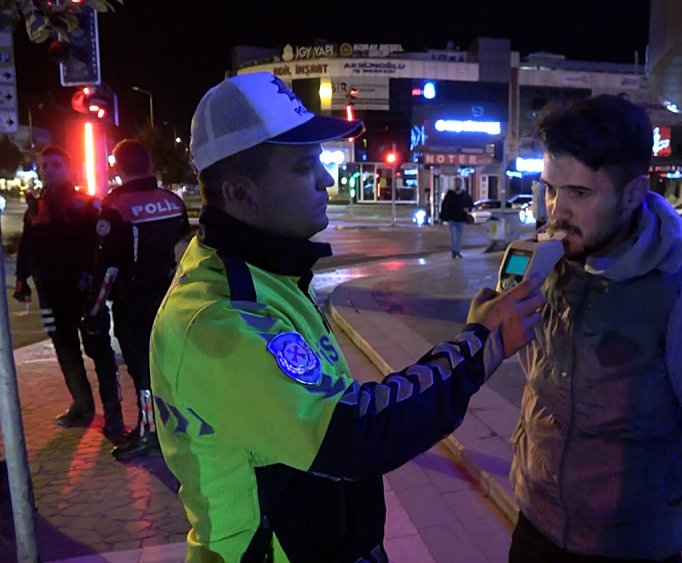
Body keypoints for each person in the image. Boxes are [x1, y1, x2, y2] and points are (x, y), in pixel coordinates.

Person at [150, 71, 545, 562]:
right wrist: (481, 343)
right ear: (240, 193)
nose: (326, 179)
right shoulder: (218, 320)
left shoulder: (268, 277)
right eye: (302, 166)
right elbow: (350, 433)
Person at [509, 95, 682, 563]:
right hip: (536, 526)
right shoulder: (549, 266)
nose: (555, 211)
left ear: (632, 193)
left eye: (578, 193)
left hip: (632, 547)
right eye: (549, 189)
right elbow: (535, 377)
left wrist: (653, 510)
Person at [82, 139, 189, 460]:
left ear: (117, 166)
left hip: (134, 302)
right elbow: (184, 249)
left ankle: (148, 432)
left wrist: (93, 309)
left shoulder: (116, 208)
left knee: (142, 367)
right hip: (171, 296)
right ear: (149, 163)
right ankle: (177, 426)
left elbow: (109, 267)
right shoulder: (172, 201)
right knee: (170, 362)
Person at [13, 147, 124, 441]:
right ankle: (82, 404)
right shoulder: (35, 209)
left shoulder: (85, 205)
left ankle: (114, 413)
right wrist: (21, 280)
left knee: (99, 351)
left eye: (56, 165)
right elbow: (27, 247)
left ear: (70, 169)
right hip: (50, 293)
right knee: (65, 350)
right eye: (44, 165)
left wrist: (95, 282)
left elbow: (100, 247)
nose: (49, 169)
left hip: (85, 292)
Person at [440, 176, 473, 258]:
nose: (457, 184)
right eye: (456, 183)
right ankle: (454, 251)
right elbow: (444, 206)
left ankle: (457, 251)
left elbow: (470, 204)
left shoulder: (464, 194)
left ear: (461, 184)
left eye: (458, 183)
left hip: (461, 218)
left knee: (459, 236)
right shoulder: (450, 194)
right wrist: (443, 217)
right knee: (454, 235)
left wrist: (468, 208)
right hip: (452, 218)